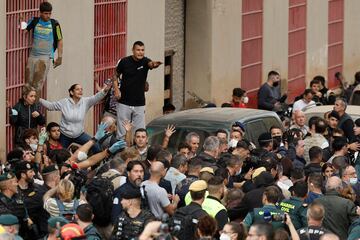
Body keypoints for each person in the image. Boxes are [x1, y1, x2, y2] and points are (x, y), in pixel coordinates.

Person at [39, 83, 110, 151]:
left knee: (96, 147)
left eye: (81, 89)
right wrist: (39, 99)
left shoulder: (85, 102)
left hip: (79, 134)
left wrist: (104, 91)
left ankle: (95, 163)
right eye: (77, 89)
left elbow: (96, 97)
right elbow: (51, 106)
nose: (80, 91)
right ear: (71, 92)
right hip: (65, 135)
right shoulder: (64, 102)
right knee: (60, 154)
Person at [113, 41, 162, 138]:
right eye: (138, 50)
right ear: (133, 50)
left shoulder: (145, 61)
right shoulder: (124, 61)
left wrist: (155, 64)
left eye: (142, 50)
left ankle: (137, 152)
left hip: (139, 103)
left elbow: (151, 64)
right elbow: (115, 75)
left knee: (140, 133)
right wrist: (116, 89)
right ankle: (121, 151)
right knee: (122, 132)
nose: (140, 52)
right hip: (124, 102)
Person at [21, 1, 63, 94]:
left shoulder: (55, 24)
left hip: (45, 57)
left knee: (37, 86)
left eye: (49, 13)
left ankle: (35, 107)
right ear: (40, 13)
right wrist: (22, 21)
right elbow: (24, 31)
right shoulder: (34, 21)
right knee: (27, 85)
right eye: (46, 13)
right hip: (33, 56)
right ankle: (25, 107)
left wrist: (59, 57)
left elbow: (60, 40)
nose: (48, 16)